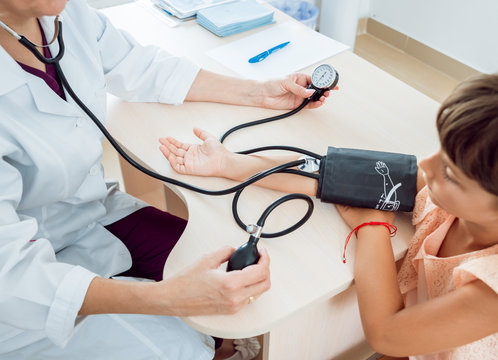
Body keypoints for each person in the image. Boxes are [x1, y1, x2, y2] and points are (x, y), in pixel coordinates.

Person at [0, 0, 331, 359]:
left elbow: (144, 67)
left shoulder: (66, 14)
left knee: (235, 278)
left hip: (90, 213)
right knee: (178, 347)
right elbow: (13, 276)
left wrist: (259, 92)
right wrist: (167, 298)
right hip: (22, 290)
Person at [159, 73, 498, 358]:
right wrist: (231, 164)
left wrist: (373, 228)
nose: (425, 166)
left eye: (450, 173)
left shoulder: (491, 291)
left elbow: (387, 336)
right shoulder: (451, 192)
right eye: (439, 149)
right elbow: (333, 175)